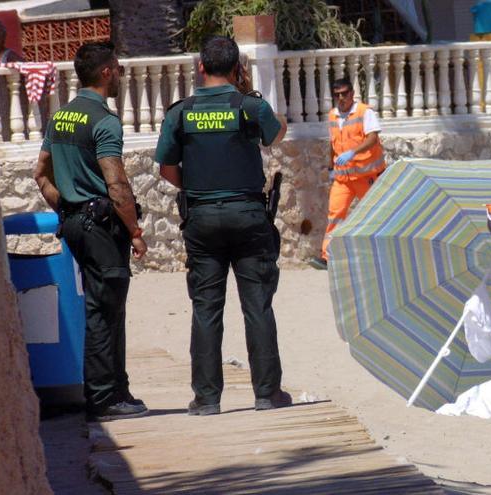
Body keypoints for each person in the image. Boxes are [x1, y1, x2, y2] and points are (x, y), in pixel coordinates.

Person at [156, 35, 290, 416]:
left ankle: (207, 398)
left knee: (205, 308)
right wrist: (247, 92)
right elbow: (277, 133)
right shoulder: (248, 105)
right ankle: (267, 394)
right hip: (247, 215)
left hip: (200, 218)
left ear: (200, 67)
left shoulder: (180, 112)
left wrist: (198, 188)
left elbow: (167, 168)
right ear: (237, 68)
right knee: (258, 306)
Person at [33, 42, 147, 421]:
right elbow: (116, 184)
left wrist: (66, 209)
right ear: (106, 73)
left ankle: (118, 390)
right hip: (101, 227)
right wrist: (133, 230)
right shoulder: (104, 120)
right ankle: (103, 399)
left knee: (105, 305)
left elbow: (41, 174)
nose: (121, 74)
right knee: (104, 309)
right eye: (118, 67)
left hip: (76, 224)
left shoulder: (60, 116)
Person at [307, 78, 386, 270]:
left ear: (352, 93)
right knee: (335, 215)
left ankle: (382, 254)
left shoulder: (364, 112)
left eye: (344, 93)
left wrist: (353, 153)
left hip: (366, 177)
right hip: (343, 178)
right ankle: (327, 257)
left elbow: (373, 138)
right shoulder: (333, 115)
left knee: (374, 215)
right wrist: (331, 168)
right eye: (337, 95)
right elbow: (335, 144)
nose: (341, 98)